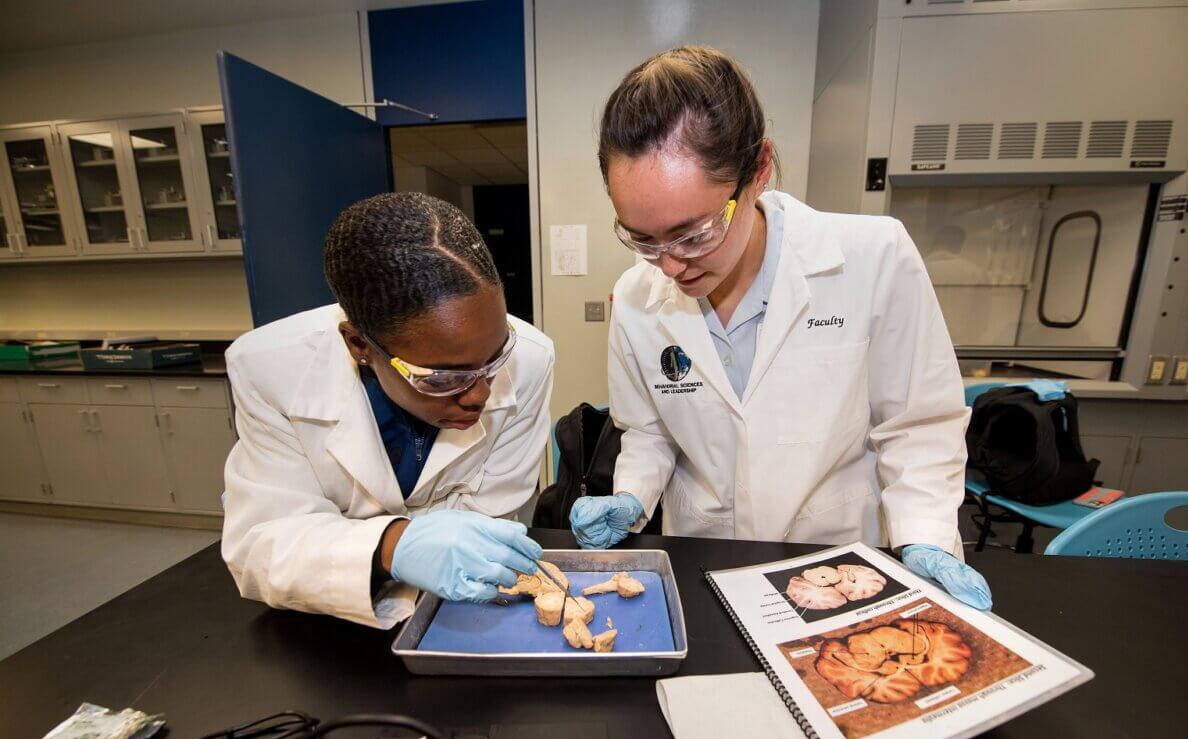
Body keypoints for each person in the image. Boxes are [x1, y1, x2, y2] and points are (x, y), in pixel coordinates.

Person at [569, 47, 991, 610]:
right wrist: (630, 495)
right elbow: (649, 431)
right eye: (643, 239)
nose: (669, 266)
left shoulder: (872, 258)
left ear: (759, 170)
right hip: (701, 565)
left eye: (693, 234)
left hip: (836, 566)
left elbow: (916, 425)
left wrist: (926, 536)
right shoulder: (637, 299)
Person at [222, 192, 555, 627]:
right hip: (324, 629)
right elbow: (264, 547)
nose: (479, 396)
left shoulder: (530, 358)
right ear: (359, 345)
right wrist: (394, 545)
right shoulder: (269, 368)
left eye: (495, 361)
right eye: (443, 378)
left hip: (458, 614)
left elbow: (485, 525)